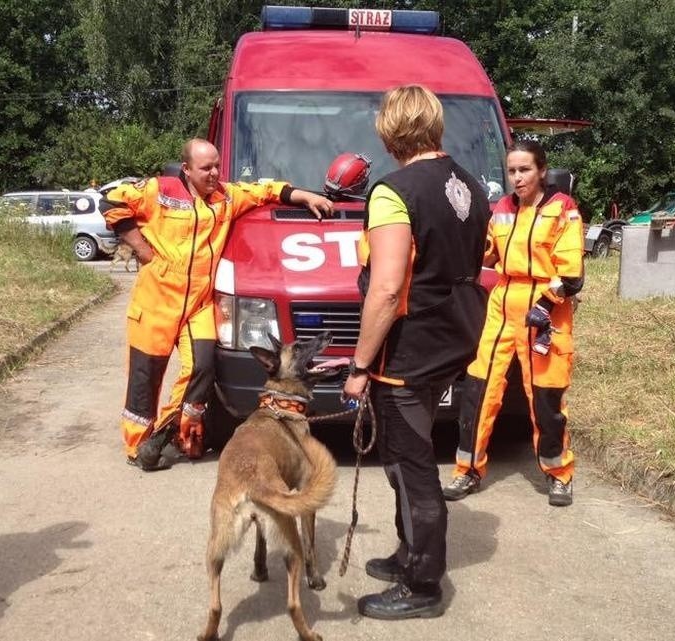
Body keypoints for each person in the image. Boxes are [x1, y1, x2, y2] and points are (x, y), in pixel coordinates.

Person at [343, 85, 490, 619]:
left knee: (411, 467)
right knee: (411, 459)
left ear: (390, 129)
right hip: (451, 340)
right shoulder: (471, 185)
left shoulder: (392, 191)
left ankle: (422, 585)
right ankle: (409, 553)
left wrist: (360, 366)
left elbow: (385, 290)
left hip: (407, 352)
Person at [101, 138, 333, 471]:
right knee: (144, 377)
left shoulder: (226, 196)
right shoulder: (159, 191)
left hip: (198, 305)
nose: (213, 173)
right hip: (155, 303)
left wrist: (305, 195)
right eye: (205, 168)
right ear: (186, 169)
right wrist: (141, 248)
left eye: (216, 166)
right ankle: (139, 446)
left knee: (202, 368)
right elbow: (111, 202)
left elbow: (267, 192)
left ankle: (176, 434)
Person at [442, 139, 584, 506]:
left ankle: (559, 474)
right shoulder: (502, 209)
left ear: (541, 171)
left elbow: (571, 277)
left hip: (545, 311)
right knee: (478, 390)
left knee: (545, 397)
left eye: (524, 170)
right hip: (502, 305)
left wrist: (544, 305)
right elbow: (486, 253)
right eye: (512, 171)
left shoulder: (563, 210)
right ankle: (467, 470)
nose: (517, 178)